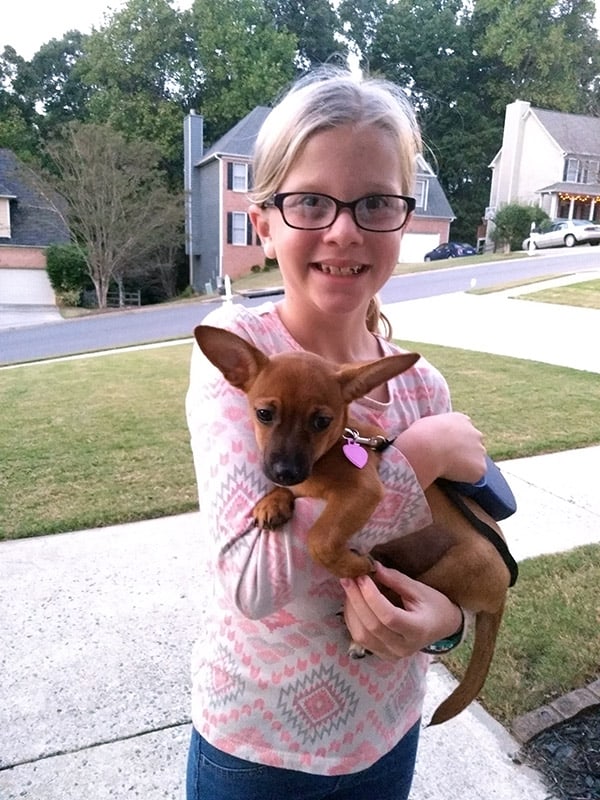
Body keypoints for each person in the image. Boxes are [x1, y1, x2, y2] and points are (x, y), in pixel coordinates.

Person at [185, 67, 487, 800]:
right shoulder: (241, 355)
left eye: (376, 202)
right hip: (258, 751)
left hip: (387, 727)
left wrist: (444, 620)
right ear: (263, 220)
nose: (344, 229)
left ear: (404, 219)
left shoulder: (418, 386)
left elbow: (432, 553)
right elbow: (254, 588)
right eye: (311, 201)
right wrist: (415, 456)